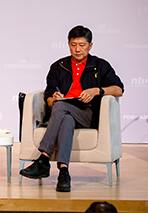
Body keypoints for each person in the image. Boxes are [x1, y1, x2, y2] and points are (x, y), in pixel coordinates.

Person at [20, 25, 124, 192]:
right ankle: (64, 173)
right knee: (65, 118)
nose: (77, 49)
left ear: (90, 46)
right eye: (73, 44)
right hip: (62, 112)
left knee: (62, 108)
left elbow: (119, 90)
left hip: (87, 113)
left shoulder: (100, 65)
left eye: (82, 45)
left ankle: (43, 160)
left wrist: (97, 91)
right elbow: (48, 96)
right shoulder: (58, 66)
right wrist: (53, 100)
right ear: (68, 44)